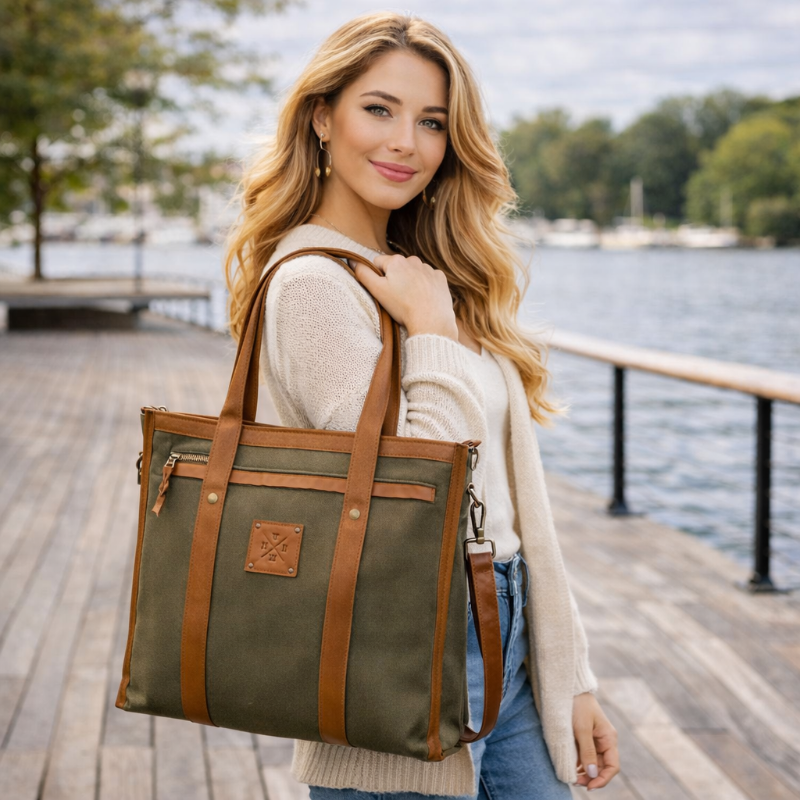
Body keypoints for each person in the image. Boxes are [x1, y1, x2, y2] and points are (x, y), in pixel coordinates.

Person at [223, 11, 620, 799]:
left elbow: (514, 501)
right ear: (321, 118)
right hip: (395, 657)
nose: (406, 141)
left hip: (506, 636)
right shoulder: (312, 286)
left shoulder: (417, 274)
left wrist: (568, 673)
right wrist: (433, 332)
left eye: (431, 121)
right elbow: (416, 502)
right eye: (379, 108)